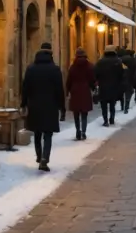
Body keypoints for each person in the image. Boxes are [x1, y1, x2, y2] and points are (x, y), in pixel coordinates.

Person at [21, 42, 64, 171]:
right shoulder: (55, 70)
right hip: (50, 106)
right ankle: (45, 158)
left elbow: (25, 88)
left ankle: (39, 156)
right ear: (51, 54)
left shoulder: (31, 69)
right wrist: (62, 107)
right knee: (48, 134)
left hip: (34, 105)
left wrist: (23, 103)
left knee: (37, 132)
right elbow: (59, 90)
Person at [66, 48, 95, 141]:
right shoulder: (89, 66)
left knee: (76, 113)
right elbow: (92, 80)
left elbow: (69, 81)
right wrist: (93, 88)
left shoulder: (73, 67)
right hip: (85, 91)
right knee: (84, 114)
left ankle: (78, 130)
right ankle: (83, 132)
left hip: (75, 91)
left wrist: (68, 90)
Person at [94, 44, 123, 126]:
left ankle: (105, 120)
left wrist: (97, 81)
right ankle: (112, 118)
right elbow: (121, 74)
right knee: (112, 104)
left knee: (104, 105)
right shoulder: (118, 61)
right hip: (114, 86)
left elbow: (95, 73)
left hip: (103, 86)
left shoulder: (100, 62)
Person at [119, 47, 136, 113]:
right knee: (128, 92)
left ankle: (122, 105)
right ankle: (126, 107)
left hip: (121, 78)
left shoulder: (119, 60)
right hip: (130, 78)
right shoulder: (132, 59)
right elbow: (135, 69)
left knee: (121, 93)